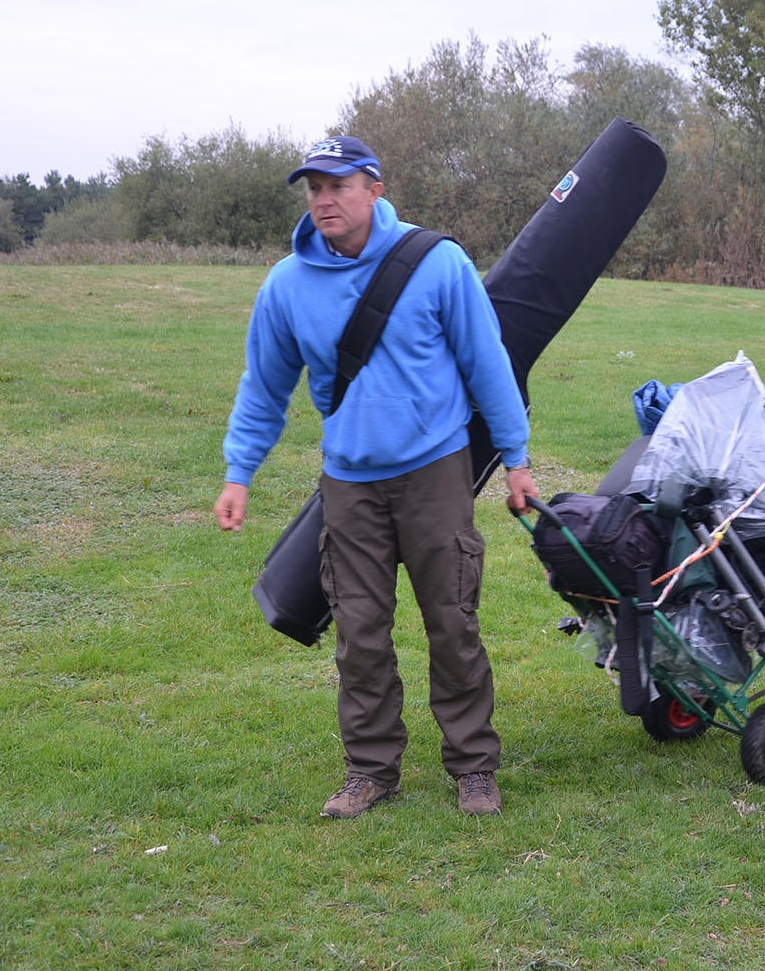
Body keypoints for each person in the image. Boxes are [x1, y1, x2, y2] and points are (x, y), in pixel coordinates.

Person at [215, 135, 538, 818]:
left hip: (435, 475)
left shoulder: (438, 263)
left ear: (374, 189)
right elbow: (264, 387)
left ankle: (474, 767)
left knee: (452, 621)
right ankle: (370, 769)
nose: (324, 200)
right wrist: (239, 473)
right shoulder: (286, 286)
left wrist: (515, 458)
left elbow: (488, 363)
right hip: (350, 485)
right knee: (359, 633)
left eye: (338, 185)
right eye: (314, 188)